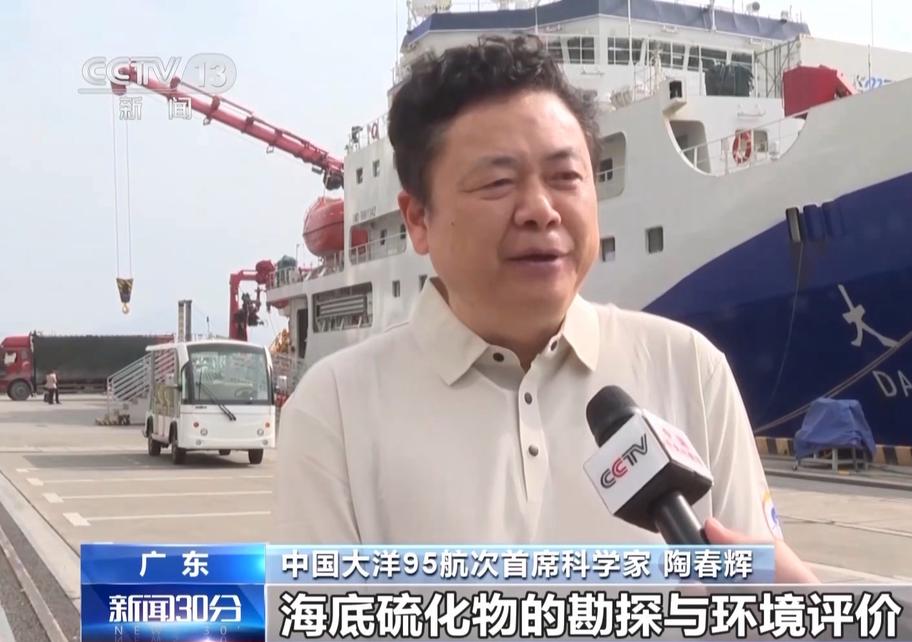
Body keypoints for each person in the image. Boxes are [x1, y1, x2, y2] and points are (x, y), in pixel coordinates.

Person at [274, 34, 816, 583]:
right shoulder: (334, 410)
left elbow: (760, 603)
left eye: (565, 178)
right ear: (418, 219)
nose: (540, 210)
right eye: (497, 182)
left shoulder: (692, 369)